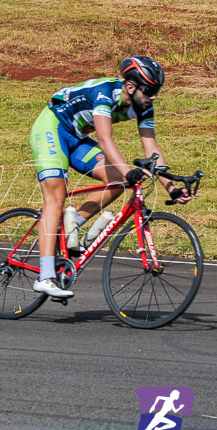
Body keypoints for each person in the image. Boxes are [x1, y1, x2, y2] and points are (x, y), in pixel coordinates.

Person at [28, 56, 193, 298]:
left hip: (77, 138)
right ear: (130, 87)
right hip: (51, 129)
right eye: (149, 90)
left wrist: (172, 188)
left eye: (156, 91)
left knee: (120, 182)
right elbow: (105, 139)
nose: (154, 96)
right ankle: (45, 277)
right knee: (56, 197)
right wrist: (130, 170)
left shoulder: (144, 105)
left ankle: (66, 230)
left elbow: (152, 148)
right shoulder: (105, 93)